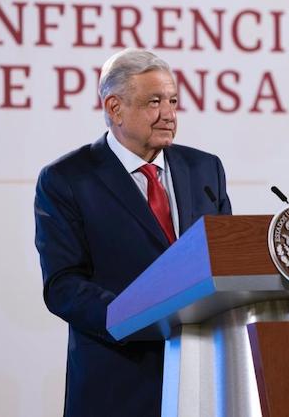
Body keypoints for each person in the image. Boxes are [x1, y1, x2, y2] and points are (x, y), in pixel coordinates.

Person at [34, 48, 232, 417]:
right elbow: (63, 285)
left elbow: (225, 264)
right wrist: (148, 317)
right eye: (154, 102)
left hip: (206, 379)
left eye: (173, 101)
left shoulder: (205, 169)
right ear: (114, 108)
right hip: (118, 381)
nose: (169, 115)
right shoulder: (67, 179)